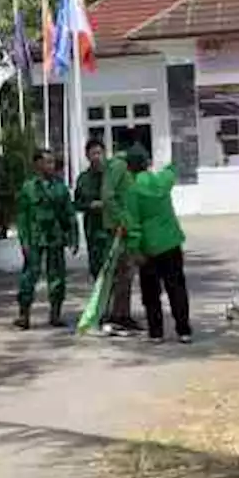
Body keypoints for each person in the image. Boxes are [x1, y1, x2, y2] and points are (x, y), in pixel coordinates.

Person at [125, 153, 192, 343]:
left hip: (148, 247)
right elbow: (172, 170)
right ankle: (183, 330)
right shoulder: (162, 181)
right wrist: (166, 165)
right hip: (171, 242)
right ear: (147, 164)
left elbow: (133, 222)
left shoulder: (132, 190)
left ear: (129, 168)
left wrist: (134, 248)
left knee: (151, 291)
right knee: (177, 288)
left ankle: (156, 332)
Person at [15, 148, 78, 329]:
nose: (52, 166)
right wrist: (24, 240)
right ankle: (24, 315)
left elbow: (69, 214)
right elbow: (22, 217)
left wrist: (73, 236)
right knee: (29, 275)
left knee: (57, 276)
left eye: (52, 162)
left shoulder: (60, 187)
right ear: (38, 164)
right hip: (35, 238)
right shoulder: (28, 188)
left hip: (55, 237)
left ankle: (55, 314)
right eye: (47, 162)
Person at [101, 135, 146, 335]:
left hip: (127, 229)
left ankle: (123, 315)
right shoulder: (118, 166)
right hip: (118, 229)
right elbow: (107, 195)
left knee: (126, 275)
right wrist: (121, 219)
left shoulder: (126, 166)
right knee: (117, 275)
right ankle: (111, 316)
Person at [73, 139, 110, 280]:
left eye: (99, 153)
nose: (97, 157)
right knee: (96, 268)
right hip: (93, 230)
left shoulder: (112, 176)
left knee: (113, 269)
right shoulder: (83, 179)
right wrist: (89, 205)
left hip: (112, 229)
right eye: (93, 153)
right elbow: (77, 203)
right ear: (87, 156)